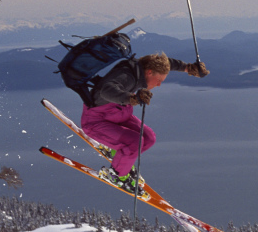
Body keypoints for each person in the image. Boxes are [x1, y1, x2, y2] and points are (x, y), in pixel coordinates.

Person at [81, 52, 208, 191]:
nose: (159, 85)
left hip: (117, 116)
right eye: (159, 80)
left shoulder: (142, 68)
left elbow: (167, 63)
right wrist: (132, 98)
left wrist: (188, 68)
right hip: (96, 122)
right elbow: (106, 91)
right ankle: (116, 175)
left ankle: (119, 156)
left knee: (148, 138)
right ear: (149, 72)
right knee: (135, 142)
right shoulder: (127, 76)